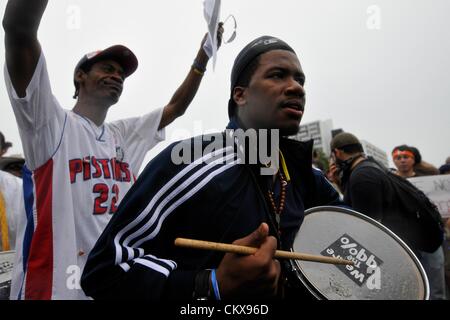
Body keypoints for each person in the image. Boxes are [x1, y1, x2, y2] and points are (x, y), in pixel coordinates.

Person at [80, 35, 343, 300]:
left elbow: (354, 242)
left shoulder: (307, 178)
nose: (296, 88)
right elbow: (104, 273)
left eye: (300, 80)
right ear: (240, 95)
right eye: (277, 75)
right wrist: (210, 284)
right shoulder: (187, 162)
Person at [3, 0, 223, 300]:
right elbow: (19, 29)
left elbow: (176, 108)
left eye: (121, 73)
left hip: (110, 287)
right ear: (80, 76)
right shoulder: (50, 124)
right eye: (107, 68)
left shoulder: (123, 134)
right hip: (52, 291)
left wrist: (203, 56)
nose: (117, 76)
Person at [331, 133, 446, 300]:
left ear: (337, 153)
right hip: (413, 245)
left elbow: (368, 232)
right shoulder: (370, 167)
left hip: (405, 253)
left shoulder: (363, 176)